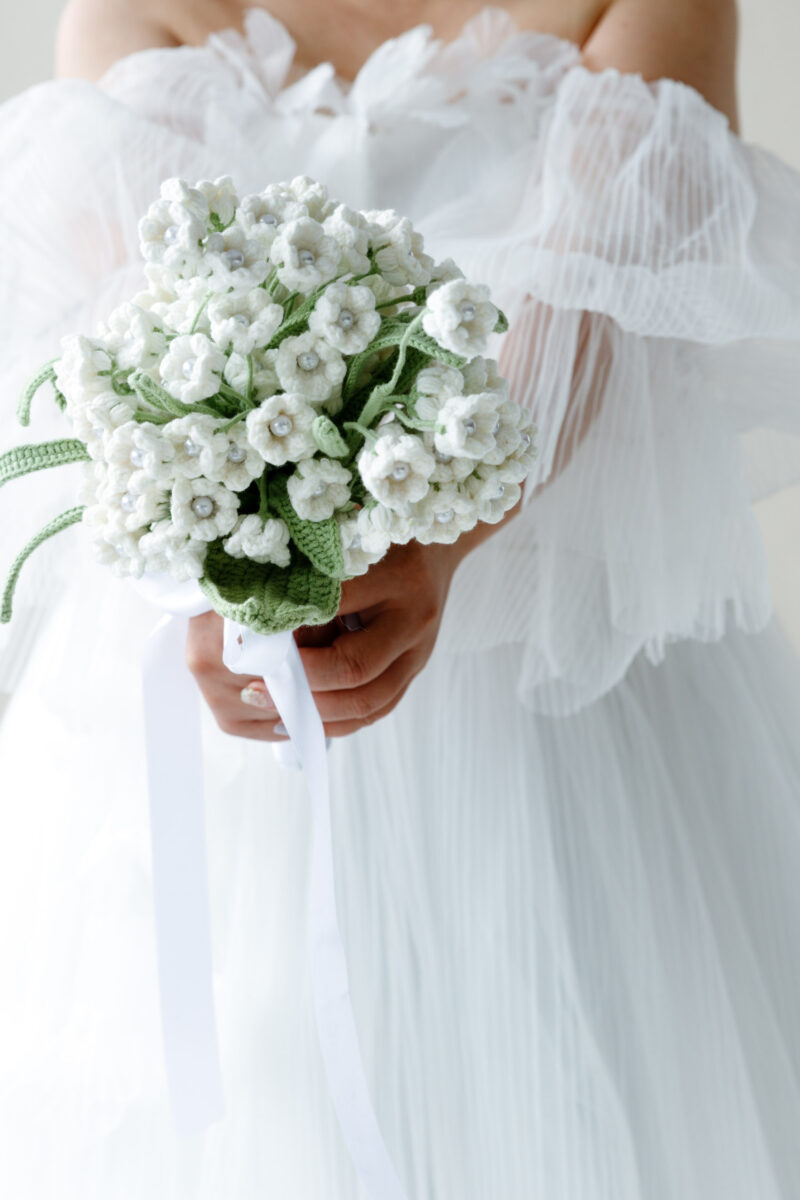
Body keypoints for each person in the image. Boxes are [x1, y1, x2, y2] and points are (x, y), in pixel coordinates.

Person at [1, 0, 799, 1196]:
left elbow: (602, 294)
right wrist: (214, 588)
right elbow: (123, 357)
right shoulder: (135, 10)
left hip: (548, 696)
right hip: (218, 704)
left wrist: (439, 544)